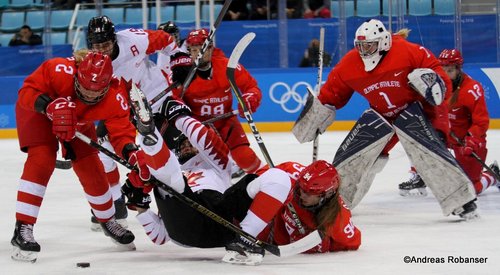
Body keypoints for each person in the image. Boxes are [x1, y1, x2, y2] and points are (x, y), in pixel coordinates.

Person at [121, 93, 361, 265]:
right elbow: (161, 236)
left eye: (190, 144)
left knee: (277, 178)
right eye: (182, 145)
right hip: (182, 223)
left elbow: (203, 136)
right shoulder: (175, 170)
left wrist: (178, 114)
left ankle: (243, 240)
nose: (187, 147)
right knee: (166, 177)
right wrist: (141, 210)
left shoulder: (217, 164)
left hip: (218, 216)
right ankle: (147, 133)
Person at [314, 19, 478, 219]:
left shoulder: (409, 51)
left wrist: (433, 84)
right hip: (382, 115)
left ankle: (461, 200)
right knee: (353, 156)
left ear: (382, 42)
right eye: (360, 46)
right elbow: (332, 92)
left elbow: (439, 78)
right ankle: (337, 202)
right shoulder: (350, 63)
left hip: (421, 110)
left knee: (430, 153)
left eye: (369, 45)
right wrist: (319, 109)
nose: (364, 51)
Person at [12, 50, 138, 263]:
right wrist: (49, 106)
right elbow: (26, 92)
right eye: (85, 88)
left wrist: (131, 153)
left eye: (95, 92)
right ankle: (23, 228)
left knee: (91, 165)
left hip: (78, 119)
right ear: (78, 73)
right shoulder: (57, 70)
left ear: (107, 85)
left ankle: (107, 220)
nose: (89, 95)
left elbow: (121, 131)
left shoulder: (115, 96)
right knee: (41, 159)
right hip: (39, 113)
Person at [86, 15, 179, 230]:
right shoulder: (91, 63)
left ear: (115, 40)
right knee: (104, 150)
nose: (102, 51)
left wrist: (179, 60)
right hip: (123, 109)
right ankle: (116, 201)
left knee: (168, 154)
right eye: (97, 46)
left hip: (156, 100)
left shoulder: (135, 41)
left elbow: (165, 39)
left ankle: (180, 198)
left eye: (106, 45)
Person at [399, 49, 499, 196]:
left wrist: (472, 140)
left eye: (450, 70)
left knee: (470, 190)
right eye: (442, 70)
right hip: (444, 136)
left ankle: (492, 175)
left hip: (465, 141)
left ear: (458, 69)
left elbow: (481, 122)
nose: (445, 74)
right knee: (416, 137)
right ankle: (419, 175)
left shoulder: (472, 89)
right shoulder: (434, 85)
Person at [171, 28, 266, 175]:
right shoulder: (183, 75)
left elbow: (251, 87)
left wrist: (250, 98)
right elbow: (173, 101)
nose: (199, 53)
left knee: (245, 158)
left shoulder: (227, 66)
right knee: (205, 170)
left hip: (226, 122)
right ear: (189, 51)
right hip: (200, 128)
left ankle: (267, 179)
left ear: (210, 48)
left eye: (202, 48)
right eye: (194, 50)